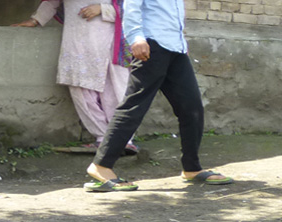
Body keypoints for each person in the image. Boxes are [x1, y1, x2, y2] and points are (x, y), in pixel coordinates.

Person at [83, 0, 233, 192]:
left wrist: (181, 42)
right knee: (135, 106)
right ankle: (101, 166)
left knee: (192, 107)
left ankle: (192, 168)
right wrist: (136, 38)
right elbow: (131, 7)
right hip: (151, 46)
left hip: (176, 49)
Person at [13, 0, 138, 154]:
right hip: (76, 43)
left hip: (109, 44)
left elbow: (134, 9)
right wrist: (36, 20)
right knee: (80, 89)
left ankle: (124, 139)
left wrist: (103, 9)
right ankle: (102, 138)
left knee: (112, 91)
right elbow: (52, 2)